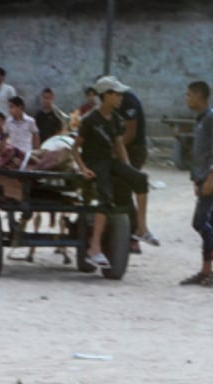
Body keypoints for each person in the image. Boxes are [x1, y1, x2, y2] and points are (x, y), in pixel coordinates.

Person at [70, 76, 152, 272]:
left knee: (141, 180)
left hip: (110, 161)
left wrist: (127, 168)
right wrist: (83, 168)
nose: (121, 98)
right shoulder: (90, 120)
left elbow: (119, 145)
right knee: (106, 198)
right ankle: (94, 248)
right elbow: (75, 148)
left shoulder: (115, 118)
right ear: (106, 96)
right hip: (95, 162)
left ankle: (141, 227)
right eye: (116, 94)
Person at [178, 81, 213, 287]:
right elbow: (200, 152)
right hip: (203, 177)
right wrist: (197, 178)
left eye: (189, 95)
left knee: (199, 222)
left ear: (199, 95)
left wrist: (212, 175)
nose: (187, 99)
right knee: (208, 222)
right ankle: (206, 268)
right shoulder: (201, 119)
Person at [116, 83, 158, 248]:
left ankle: (136, 234)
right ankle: (134, 233)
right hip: (126, 150)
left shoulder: (128, 101)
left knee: (125, 191)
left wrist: (113, 150)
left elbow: (130, 133)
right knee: (122, 193)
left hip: (133, 150)